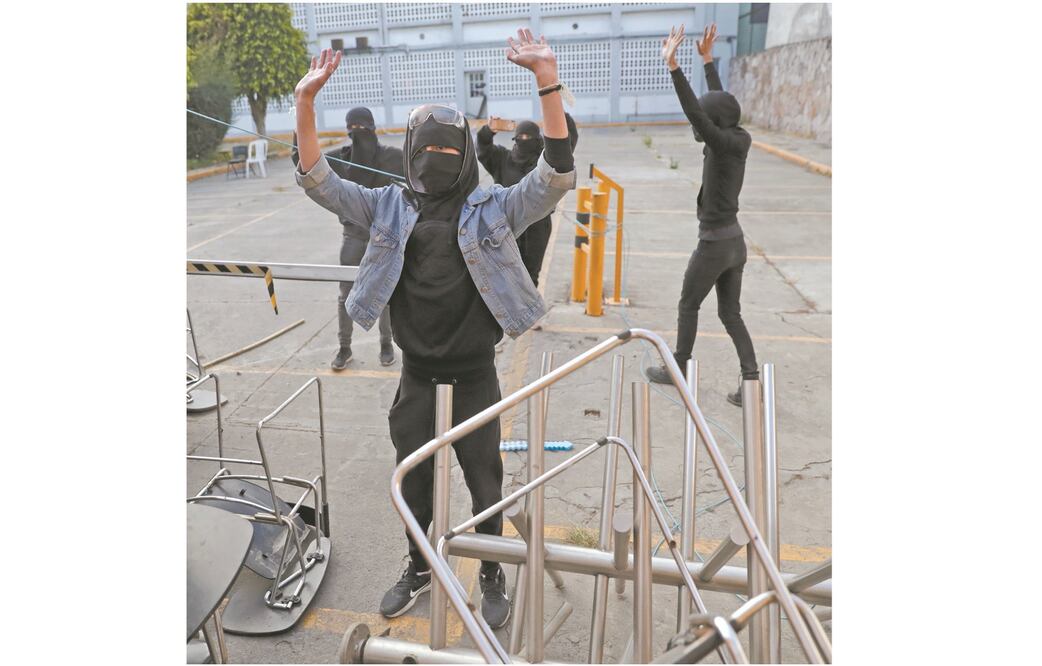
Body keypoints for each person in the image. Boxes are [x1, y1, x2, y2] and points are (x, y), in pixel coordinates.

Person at [291, 29, 575, 628]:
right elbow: (321, 181)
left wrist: (546, 81)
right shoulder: (387, 204)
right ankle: (418, 565)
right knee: (412, 478)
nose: (434, 160)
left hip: (475, 372)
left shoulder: (495, 206)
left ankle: (491, 567)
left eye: (447, 151)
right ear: (411, 152)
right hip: (416, 373)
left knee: (484, 479)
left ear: (466, 156)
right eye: (426, 150)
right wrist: (306, 104)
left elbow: (553, 176)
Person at [644, 24, 759, 406]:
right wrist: (708, 61)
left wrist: (674, 67)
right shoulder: (734, 138)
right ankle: (751, 383)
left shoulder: (722, 143)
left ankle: (678, 369)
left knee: (688, 304)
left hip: (714, 243)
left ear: (715, 125)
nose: (699, 129)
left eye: (706, 124)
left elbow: (698, 111)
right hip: (734, 242)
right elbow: (717, 103)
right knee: (730, 314)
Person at [292, 108, 401, 370]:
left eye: (363, 129)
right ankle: (345, 347)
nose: (359, 135)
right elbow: (307, 162)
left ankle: (386, 343)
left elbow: (419, 167)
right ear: (348, 132)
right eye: (354, 130)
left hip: (384, 237)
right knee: (345, 294)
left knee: (385, 292)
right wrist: (300, 128)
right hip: (352, 236)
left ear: (373, 129)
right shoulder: (342, 158)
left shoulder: (389, 157)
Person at [476, 113, 579, 287]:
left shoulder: (543, 162)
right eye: (520, 137)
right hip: (505, 224)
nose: (524, 141)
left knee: (530, 277)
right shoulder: (502, 158)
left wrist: (559, 113)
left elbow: (564, 149)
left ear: (537, 139)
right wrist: (489, 130)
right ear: (515, 139)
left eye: (528, 138)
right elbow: (483, 148)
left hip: (537, 226)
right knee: (504, 275)